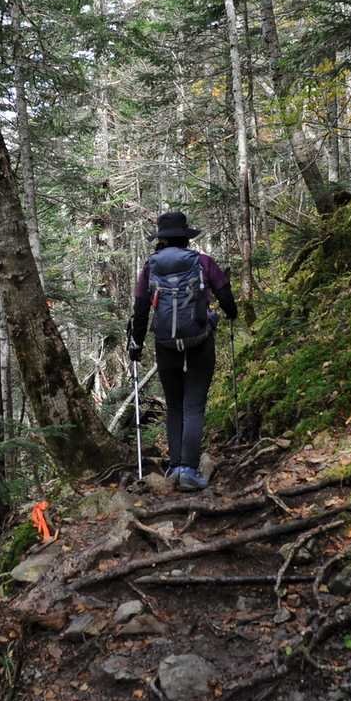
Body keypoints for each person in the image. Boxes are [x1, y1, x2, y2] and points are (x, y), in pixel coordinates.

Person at [127, 210, 238, 492]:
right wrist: (230, 313)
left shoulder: (150, 267)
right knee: (194, 405)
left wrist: (136, 343)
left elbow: (141, 309)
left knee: (174, 405)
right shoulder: (202, 262)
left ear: (162, 239)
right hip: (200, 340)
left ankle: (175, 467)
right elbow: (225, 295)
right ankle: (189, 470)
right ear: (186, 238)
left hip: (165, 344)